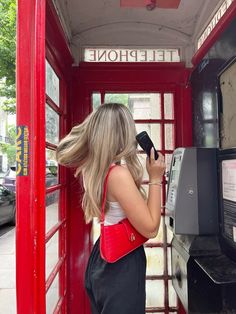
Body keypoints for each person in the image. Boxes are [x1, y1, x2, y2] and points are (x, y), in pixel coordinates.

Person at [56, 103, 166, 314]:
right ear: (122, 133)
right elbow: (151, 228)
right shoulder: (117, 175)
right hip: (122, 263)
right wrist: (155, 179)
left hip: (102, 258)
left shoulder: (91, 169)